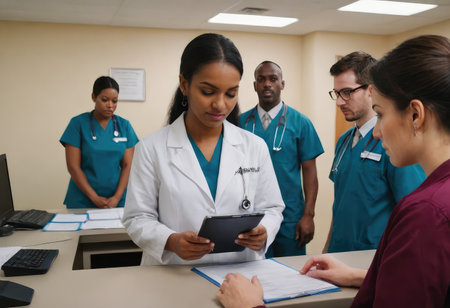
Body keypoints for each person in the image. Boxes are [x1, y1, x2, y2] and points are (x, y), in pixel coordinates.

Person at [217, 35, 450, 308]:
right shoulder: (435, 202)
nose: (376, 130)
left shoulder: (425, 213)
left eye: (382, 113)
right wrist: (363, 276)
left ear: (415, 115)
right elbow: (414, 284)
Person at [122, 33, 284, 265]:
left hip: (239, 274)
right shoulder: (151, 148)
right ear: (185, 84)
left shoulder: (254, 146)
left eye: (231, 93)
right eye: (208, 92)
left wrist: (264, 231)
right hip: (174, 277)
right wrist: (171, 241)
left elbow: (272, 208)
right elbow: (137, 218)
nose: (220, 104)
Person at [323, 51, 425, 253]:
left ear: (371, 90)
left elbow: (413, 214)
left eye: (347, 92)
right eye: (336, 93)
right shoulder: (344, 142)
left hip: (373, 257)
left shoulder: (395, 143)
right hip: (339, 253)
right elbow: (341, 203)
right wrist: (326, 250)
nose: (339, 102)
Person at [240, 61, 323, 257]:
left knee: (291, 275)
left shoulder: (301, 123)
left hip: (291, 217)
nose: (267, 84)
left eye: (273, 79)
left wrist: (308, 215)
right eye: (261, 79)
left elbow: (310, 171)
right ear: (254, 85)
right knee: (252, 273)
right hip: (250, 216)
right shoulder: (239, 123)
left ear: (282, 84)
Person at [60, 76, 138, 208]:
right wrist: (94, 197)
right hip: (83, 199)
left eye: (114, 101)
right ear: (93, 97)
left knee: (118, 230)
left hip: (117, 200)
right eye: (104, 100)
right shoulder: (77, 124)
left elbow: (128, 165)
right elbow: (73, 167)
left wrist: (117, 197)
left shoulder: (124, 125)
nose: (110, 105)